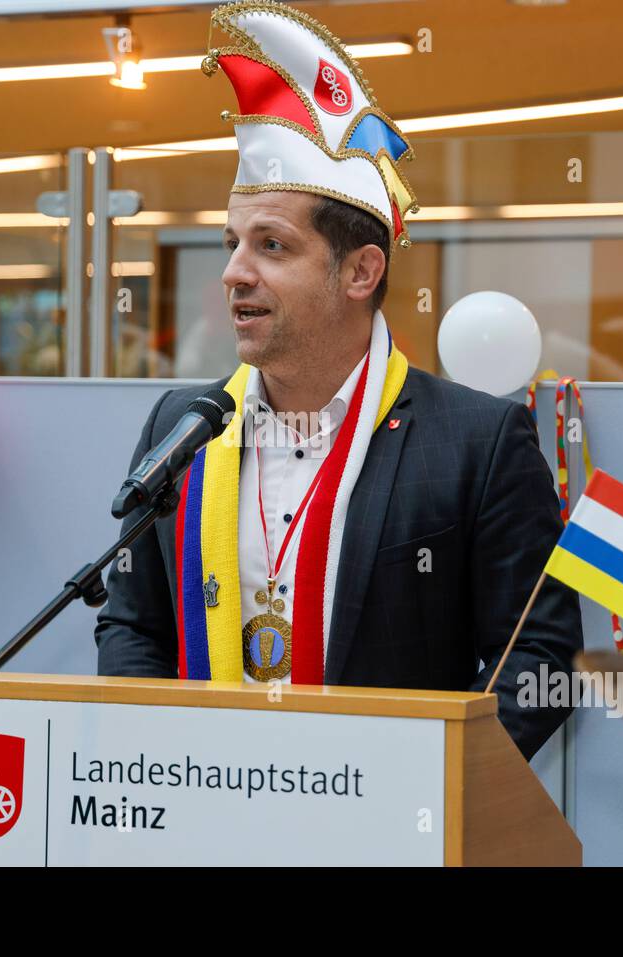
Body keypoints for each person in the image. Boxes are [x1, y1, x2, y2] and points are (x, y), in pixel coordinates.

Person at [95, 0, 582, 759]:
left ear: (361, 271)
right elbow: (131, 621)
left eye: (272, 245)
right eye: (232, 242)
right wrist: (159, 759)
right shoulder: (183, 427)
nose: (232, 272)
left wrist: (422, 791)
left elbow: (541, 659)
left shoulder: (476, 443)